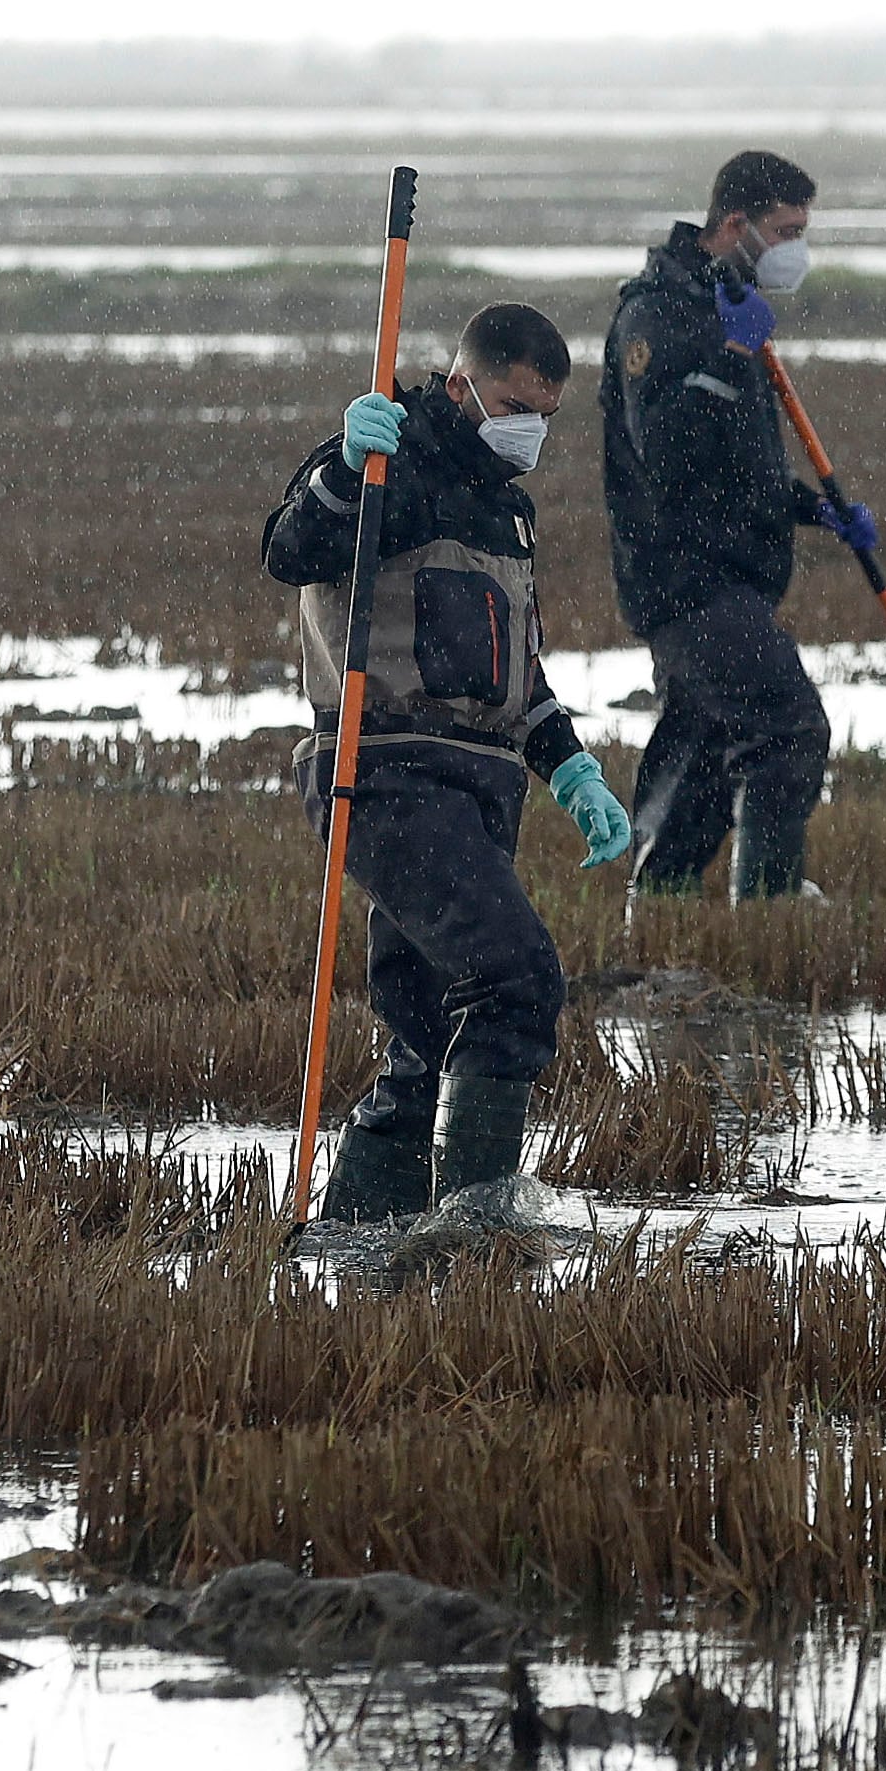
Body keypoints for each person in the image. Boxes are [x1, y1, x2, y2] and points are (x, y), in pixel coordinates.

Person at [263, 301, 633, 1221]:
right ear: (462, 382)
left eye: (546, 416)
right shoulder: (387, 457)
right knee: (517, 980)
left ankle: (359, 1238)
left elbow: (519, 677)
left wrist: (573, 771)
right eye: (515, 405)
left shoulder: (510, 510)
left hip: (482, 787)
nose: (529, 431)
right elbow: (290, 550)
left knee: (427, 1033)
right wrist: (344, 469)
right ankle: (475, 1232)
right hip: (386, 772)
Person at [603, 148, 872, 900]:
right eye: (785, 231)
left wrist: (818, 510)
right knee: (788, 731)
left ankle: (656, 915)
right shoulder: (657, 314)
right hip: (686, 581)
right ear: (734, 223)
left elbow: (738, 468)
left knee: (707, 755)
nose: (797, 249)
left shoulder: (723, 302)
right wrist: (726, 356)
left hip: (733, 575)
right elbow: (669, 457)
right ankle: (770, 911)